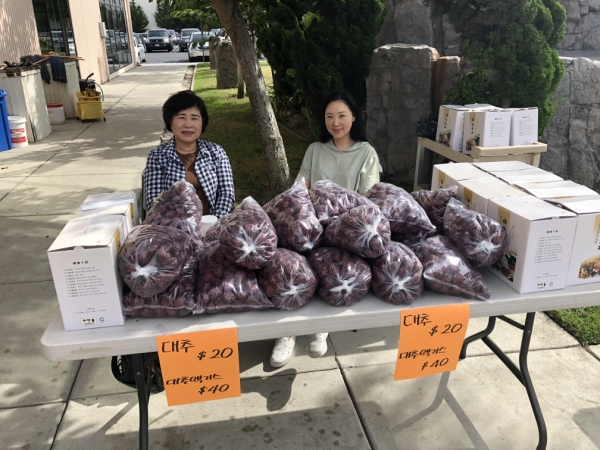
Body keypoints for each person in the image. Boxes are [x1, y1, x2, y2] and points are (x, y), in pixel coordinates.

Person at [270, 91, 380, 368]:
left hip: (346, 230)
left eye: (342, 115)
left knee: (332, 270)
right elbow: (300, 190)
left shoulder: (366, 153)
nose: (336, 122)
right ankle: (287, 332)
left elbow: (366, 199)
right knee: (288, 268)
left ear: (354, 118)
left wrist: (336, 221)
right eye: (330, 116)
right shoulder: (315, 150)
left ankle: (320, 327)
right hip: (311, 225)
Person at [143, 90, 235, 218]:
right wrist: (181, 225)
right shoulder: (158, 157)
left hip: (211, 224)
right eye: (181, 117)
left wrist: (214, 221)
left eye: (194, 118)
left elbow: (226, 193)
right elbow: (154, 202)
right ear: (170, 121)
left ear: (202, 122)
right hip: (172, 226)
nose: (188, 124)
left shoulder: (216, 153)